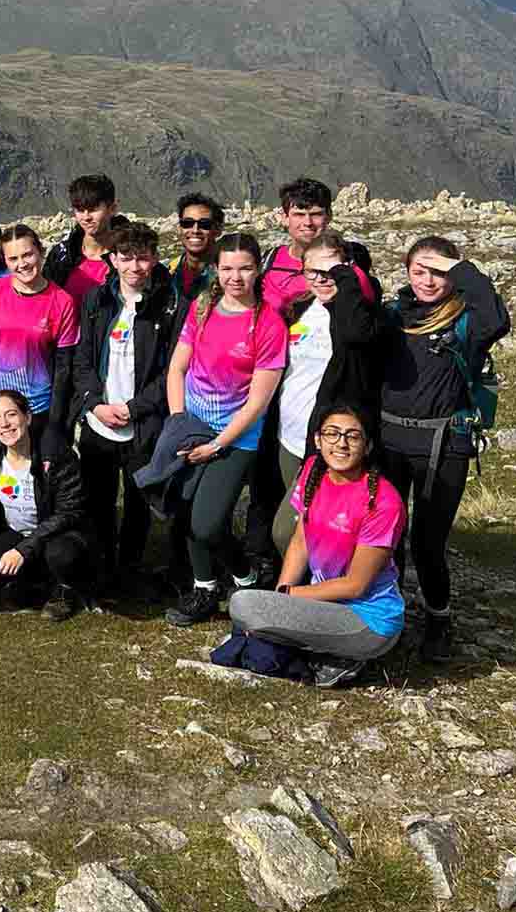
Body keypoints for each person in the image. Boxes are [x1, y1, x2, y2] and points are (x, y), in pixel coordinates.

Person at [376, 236, 509, 661]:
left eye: (438, 273)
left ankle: (438, 619)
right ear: (406, 272)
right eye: (419, 271)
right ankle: (387, 613)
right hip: (389, 440)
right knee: (386, 537)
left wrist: (461, 267)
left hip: (443, 443)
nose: (428, 281)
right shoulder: (393, 316)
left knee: (428, 542)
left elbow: (498, 319)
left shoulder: (468, 322)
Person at [228, 405, 407, 687]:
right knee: (254, 607)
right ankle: (320, 651)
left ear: (368, 445)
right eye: (332, 433)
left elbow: (355, 586)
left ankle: (347, 654)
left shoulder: (383, 502)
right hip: (322, 604)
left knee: (243, 605)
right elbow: (301, 540)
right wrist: (281, 595)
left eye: (353, 436)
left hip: (367, 620)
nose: (341, 443)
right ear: (317, 440)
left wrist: (290, 595)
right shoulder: (313, 471)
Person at [163, 233, 289, 626]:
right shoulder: (203, 308)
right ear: (217, 270)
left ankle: (239, 575)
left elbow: (258, 401)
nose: (236, 277)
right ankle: (211, 587)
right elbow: (177, 368)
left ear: (258, 270)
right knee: (184, 512)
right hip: (192, 428)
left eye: (245, 268)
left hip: (236, 438)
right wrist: (181, 424)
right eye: (228, 268)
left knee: (207, 521)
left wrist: (218, 444)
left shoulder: (268, 324)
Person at [250, 228, 382, 578]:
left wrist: (345, 278)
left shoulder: (358, 313)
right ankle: (303, 594)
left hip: (327, 442)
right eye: (314, 272)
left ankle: (325, 590)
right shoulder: (301, 309)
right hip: (288, 436)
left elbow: (355, 335)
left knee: (288, 530)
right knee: (301, 525)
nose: (323, 280)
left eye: (332, 271)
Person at [70, 222, 178, 593]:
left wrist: (135, 407)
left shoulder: (168, 304)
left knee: (137, 502)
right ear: (112, 259)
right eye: (127, 257)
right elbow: (81, 362)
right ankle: (101, 571)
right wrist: (94, 405)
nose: (135, 266)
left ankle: (130, 570)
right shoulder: (96, 301)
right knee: (98, 501)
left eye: (143, 258)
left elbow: (170, 371)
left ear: (154, 259)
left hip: (143, 424)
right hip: (99, 423)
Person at [0, 224, 79, 456]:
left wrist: (55, 424)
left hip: (36, 408)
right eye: (13, 258)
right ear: (5, 261)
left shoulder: (62, 301)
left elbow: (63, 368)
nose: (22, 264)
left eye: (27, 255)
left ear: (40, 252)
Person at [0, 389, 94, 620]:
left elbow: (69, 512)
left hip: (59, 534)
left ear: (27, 417)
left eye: (11, 414)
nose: (4, 424)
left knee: (60, 554)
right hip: (19, 533)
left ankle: (66, 589)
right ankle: (35, 582)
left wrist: (24, 549)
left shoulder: (54, 454)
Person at [261, 178, 377, 317]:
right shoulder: (269, 261)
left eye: (316, 214)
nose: (307, 222)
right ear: (285, 218)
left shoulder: (348, 264)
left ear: (329, 216)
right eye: (299, 215)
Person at [45, 174, 119, 304]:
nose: (86, 217)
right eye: (80, 209)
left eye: (93, 209)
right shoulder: (61, 256)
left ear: (112, 209)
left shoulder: (130, 257)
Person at [171, 193, 225, 304]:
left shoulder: (228, 276)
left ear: (218, 230)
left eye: (205, 224)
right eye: (187, 223)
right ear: (179, 228)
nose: (195, 230)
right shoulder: (168, 272)